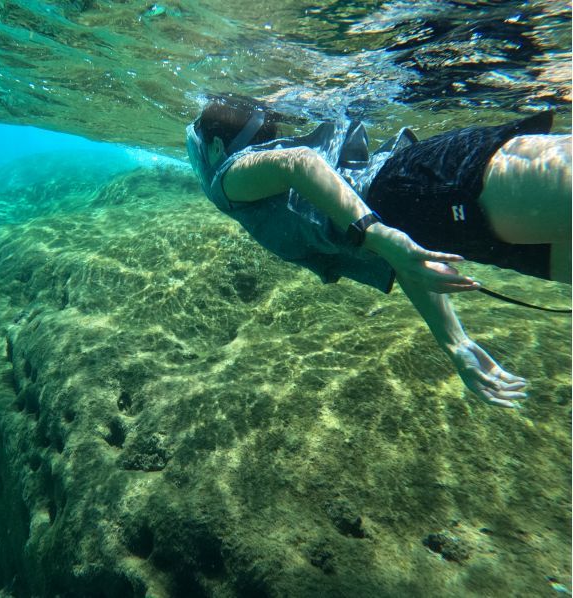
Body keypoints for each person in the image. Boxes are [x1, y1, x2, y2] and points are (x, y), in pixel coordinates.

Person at [185, 96, 571, 408]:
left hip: (421, 182)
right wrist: (456, 342)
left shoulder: (227, 180)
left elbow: (298, 162)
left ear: (218, 147)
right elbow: (405, 254)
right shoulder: (298, 199)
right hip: (429, 207)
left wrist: (376, 232)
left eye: (197, 148)